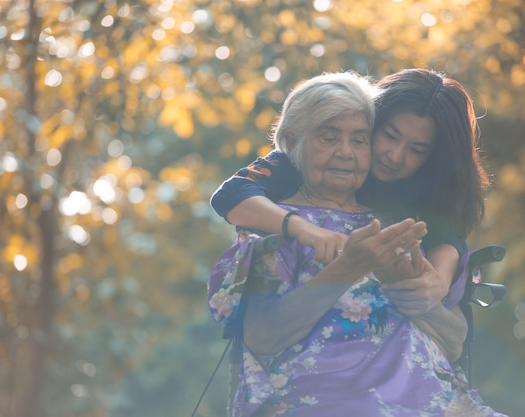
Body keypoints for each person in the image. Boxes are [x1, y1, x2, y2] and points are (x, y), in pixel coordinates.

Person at [208, 72, 506, 416]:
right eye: (330, 137)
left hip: (434, 401)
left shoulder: (408, 220)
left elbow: (454, 338)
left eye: (359, 139)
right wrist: (341, 264)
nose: (347, 152)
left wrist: (423, 288)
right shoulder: (278, 207)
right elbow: (261, 336)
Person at [210, 68, 490, 318]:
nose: (395, 156)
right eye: (389, 136)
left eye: (417, 150)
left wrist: (439, 281)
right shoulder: (309, 158)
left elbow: (448, 231)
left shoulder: (430, 181)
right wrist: (305, 230)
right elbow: (232, 193)